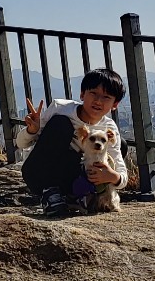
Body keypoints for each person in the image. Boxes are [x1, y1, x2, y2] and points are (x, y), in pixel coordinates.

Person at [17, 68, 128, 216]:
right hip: (39, 173)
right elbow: (21, 144)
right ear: (82, 94)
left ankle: (76, 196)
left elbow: (121, 171)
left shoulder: (109, 128)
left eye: (106, 97)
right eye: (93, 93)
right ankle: (50, 192)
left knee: (120, 145)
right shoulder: (60, 109)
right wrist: (32, 130)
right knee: (61, 124)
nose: (98, 101)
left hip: (75, 177)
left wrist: (112, 176)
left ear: (115, 104)